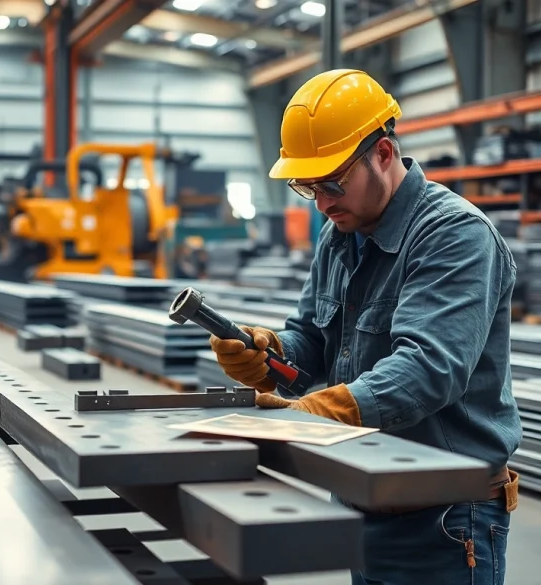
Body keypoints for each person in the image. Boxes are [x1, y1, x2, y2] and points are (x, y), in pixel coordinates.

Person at [210, 69, 523, 585]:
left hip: (444, 519)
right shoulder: (340, 234)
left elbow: (428, 369)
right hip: (359, 499)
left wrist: (312, 415)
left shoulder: (454, 235)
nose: (325, 201)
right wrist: (266, 353)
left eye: (333, 183)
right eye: (308, 188)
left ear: (383, 153)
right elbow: (310, 341)